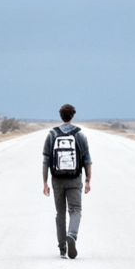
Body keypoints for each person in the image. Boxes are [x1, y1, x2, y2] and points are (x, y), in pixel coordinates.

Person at [42, 103, 92, 258]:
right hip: (75, 179)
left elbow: (46, 160)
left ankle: (62, 247)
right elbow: (87, 160)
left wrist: (45, 182)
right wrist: (88, 179)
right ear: (73, 115)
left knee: (60, 213)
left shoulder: (52, 134)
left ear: (60, 115)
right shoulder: (80, 135)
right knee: (75, 210)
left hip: (57, 180)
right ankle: (72, 235)